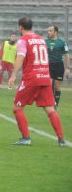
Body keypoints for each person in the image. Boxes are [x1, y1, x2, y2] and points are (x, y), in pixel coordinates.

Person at [8, 17, 66, 147]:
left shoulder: (23, 40)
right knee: (50, 109)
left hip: (31, 78)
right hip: (44, 76)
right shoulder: (41, 39)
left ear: (20, 27)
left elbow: (20, 57)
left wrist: (13, 75)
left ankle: (26, 138)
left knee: (17, 108)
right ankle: (61, 140)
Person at [45, 25, 71, 108]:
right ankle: (51, 102)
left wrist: (68, 68)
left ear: (55, 32)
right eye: (48, 30)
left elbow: (67, 55)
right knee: (49, 84)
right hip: (48, 65)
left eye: (50, 31)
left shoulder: (62, 42)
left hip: (59, 66)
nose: (48, 32)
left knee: (57, 86)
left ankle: (56, 104)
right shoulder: (45, 42)